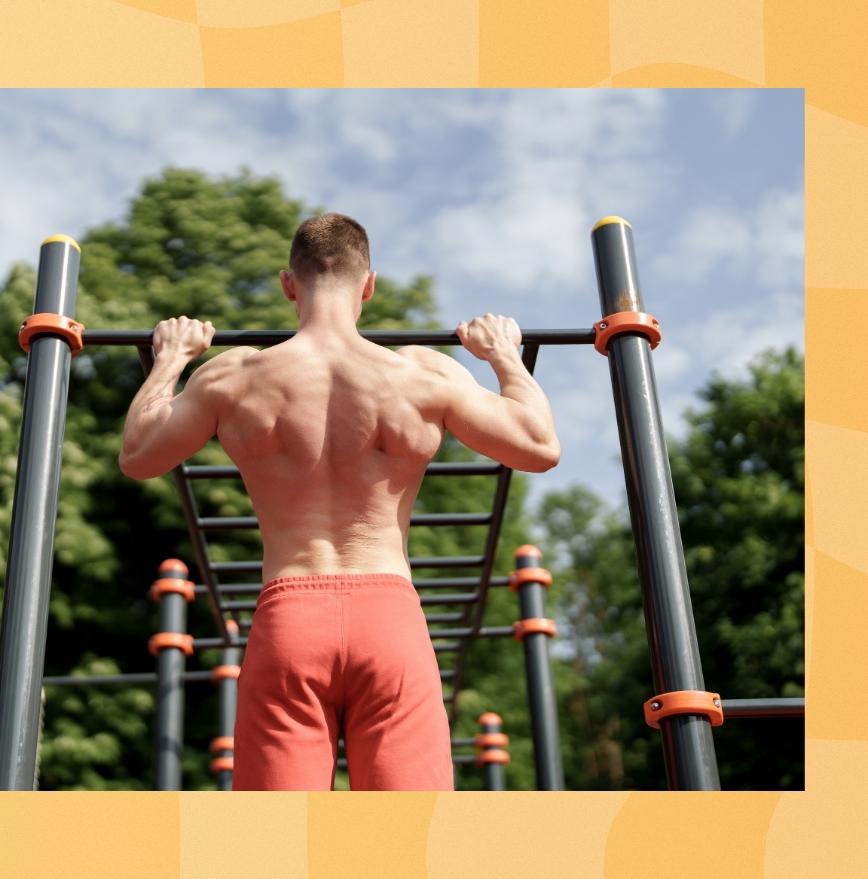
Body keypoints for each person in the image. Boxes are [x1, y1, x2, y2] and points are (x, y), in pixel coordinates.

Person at [119, 213, 560, 790]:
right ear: (369, 285)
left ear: (288, 284)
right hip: (390, 619)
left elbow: (138, 456)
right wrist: (503, 355)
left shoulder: (234, 375)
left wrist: (170, 360)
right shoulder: (421, 372)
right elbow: (538, 445)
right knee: (413, 847)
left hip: (288, 622)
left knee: (280, 851)